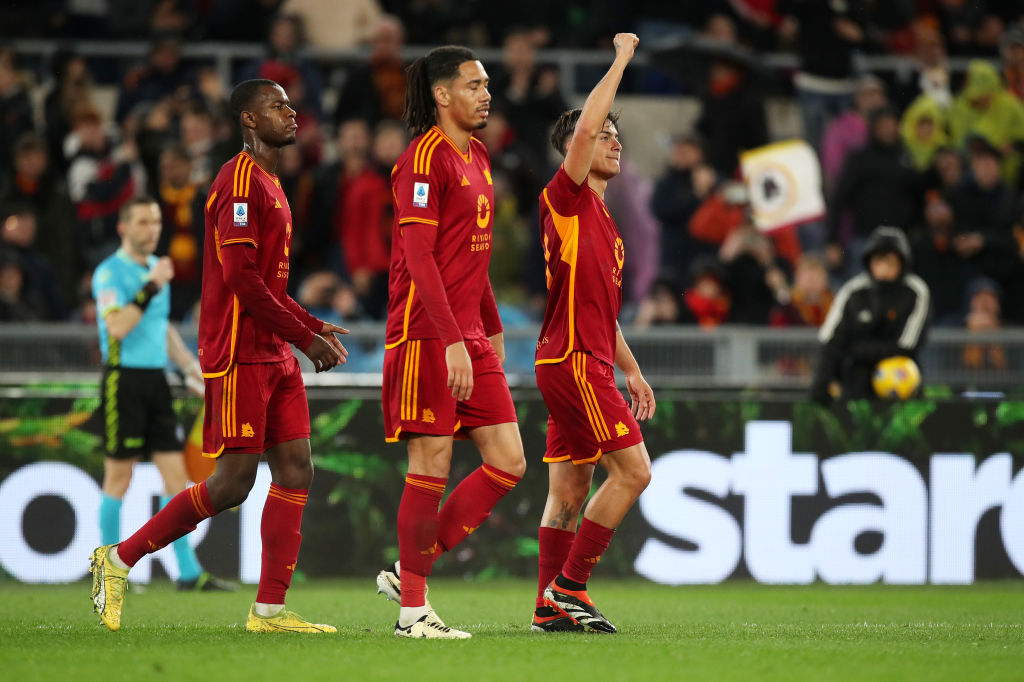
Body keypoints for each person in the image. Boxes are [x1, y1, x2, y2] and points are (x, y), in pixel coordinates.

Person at [90, 78, 349, 634]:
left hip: (273, 348)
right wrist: (305, 340)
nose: (290, 111)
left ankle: (270, 612)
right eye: (276, 105)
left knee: (297, 469)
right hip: (237, 351)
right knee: (232, 484)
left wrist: (308, 325)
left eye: (289, 103)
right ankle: (117, 560)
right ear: (249, 121)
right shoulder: (237, 180)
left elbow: (271, 286)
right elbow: (240, 280)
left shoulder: (274, 183)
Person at [373, 45, 526, 640]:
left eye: (487, 83)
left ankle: (410, 570)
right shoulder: (422, 159)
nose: (485, 93)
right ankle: (414, 612)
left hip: (467, 336)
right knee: (430, 463)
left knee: (509, 461)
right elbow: (419, 256)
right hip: (423, 337)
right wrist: (451, 340)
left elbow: (474, 255)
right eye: (473, 84)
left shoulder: (480, 156)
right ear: (442, 95)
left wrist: (490, 327)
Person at [532, 33, 655, 634]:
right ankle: (570, 588)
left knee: (570, 488)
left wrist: (630, 367)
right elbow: (583, 131)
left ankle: (544, 609)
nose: (614, 141)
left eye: (616, 136)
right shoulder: (567, 198)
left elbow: (603, 317)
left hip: (585, 358)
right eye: (605, 134)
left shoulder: (607, 226)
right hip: (575, 363)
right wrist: (621, 59)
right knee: (633, 473)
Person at [91, 196, 233, 593]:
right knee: (119, 478)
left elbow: (161, 329)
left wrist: (190, 368)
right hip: (124, 381)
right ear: (123, 228)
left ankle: (188, 574)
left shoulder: (157, 270)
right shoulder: (110, 274)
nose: (151, 229)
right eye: (141, 222)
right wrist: (152, 286)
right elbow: (118, 327)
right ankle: (107, 567)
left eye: (154, 222)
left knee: (177, 480)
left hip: (156, 382)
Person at [811, 226, 930, 404]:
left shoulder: (915, 291)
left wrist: (857, 350)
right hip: (856, 378)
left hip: (899, 374)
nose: (883, 269)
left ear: (902, 263)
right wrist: (821, 381)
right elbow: (831, 340)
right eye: (878, 261)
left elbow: (907, 344)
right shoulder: (853, 291)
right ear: (869, 263)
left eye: (890, 262)